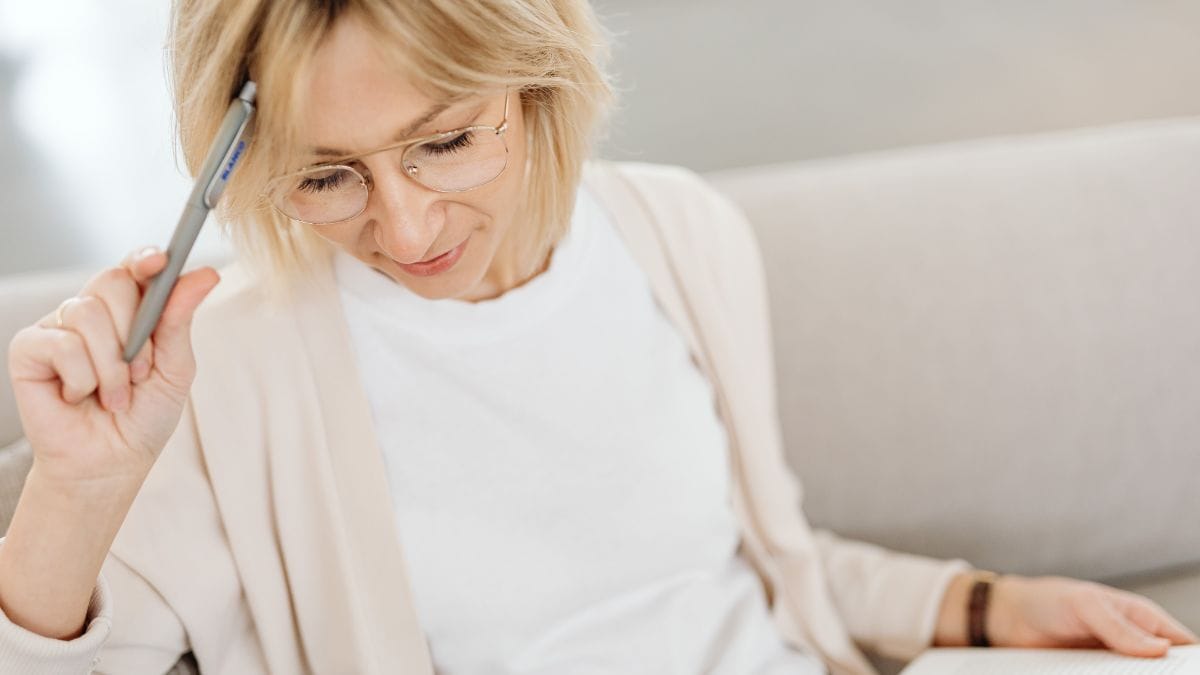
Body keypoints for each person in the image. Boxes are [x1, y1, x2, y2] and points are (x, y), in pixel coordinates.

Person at [1, 1, 1195, 673]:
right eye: (327, 176)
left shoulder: (678, 230)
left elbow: (744, 565)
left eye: (445, 141)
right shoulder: (228, 364)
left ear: (536, 87)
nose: (406, 222)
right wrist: (75, 489)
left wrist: (989, 607)